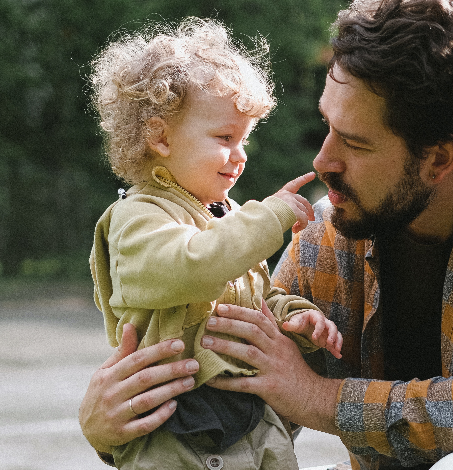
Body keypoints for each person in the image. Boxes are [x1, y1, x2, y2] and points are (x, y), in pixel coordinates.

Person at [81, 1, 453, 469]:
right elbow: (252, 395)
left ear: (438, 157)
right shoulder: (332, 231)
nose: (324, 161)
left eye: (357, 143)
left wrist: (316, 396)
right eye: (327, 126)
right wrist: (114, 425)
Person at [85, 17, 345, 470]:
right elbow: (192, 269)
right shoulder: (138, 218)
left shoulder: (223, 215)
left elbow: (252, 298)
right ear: (160, 137)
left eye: (245, 139)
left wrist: (294, 317)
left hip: (247, 420)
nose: (241, 154)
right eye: (225, 138)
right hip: (172, 429)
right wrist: (271, 214)